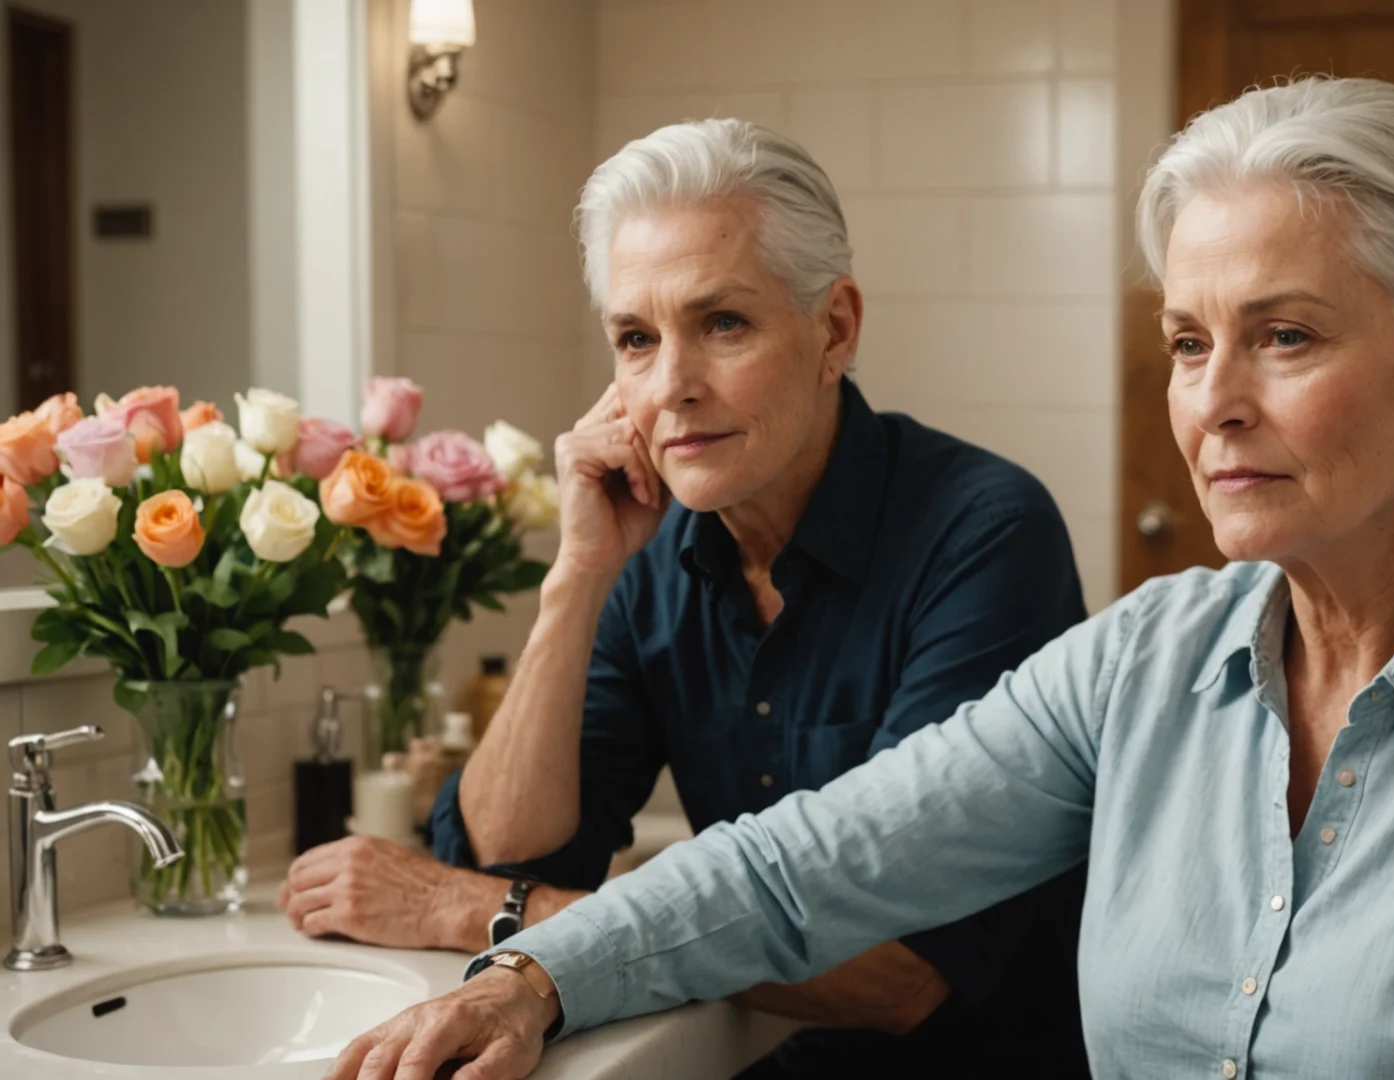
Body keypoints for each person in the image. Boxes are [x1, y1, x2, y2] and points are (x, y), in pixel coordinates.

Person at [324, 78, 1394, 1080]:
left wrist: (486, 920)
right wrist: (534, 975)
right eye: (1190, 343)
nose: (1210, 407)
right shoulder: (1144, 661)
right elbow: (803, 866)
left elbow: (895, 975)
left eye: (1285, 336)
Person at [280, 119, 1092, 1079]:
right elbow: (518, 853)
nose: (670, 387)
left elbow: (897, 976)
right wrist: (577, 576)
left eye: (723, 324)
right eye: (635, 338)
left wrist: (472, 914)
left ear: (834, 329)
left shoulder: (986, 533)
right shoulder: (651, 552)